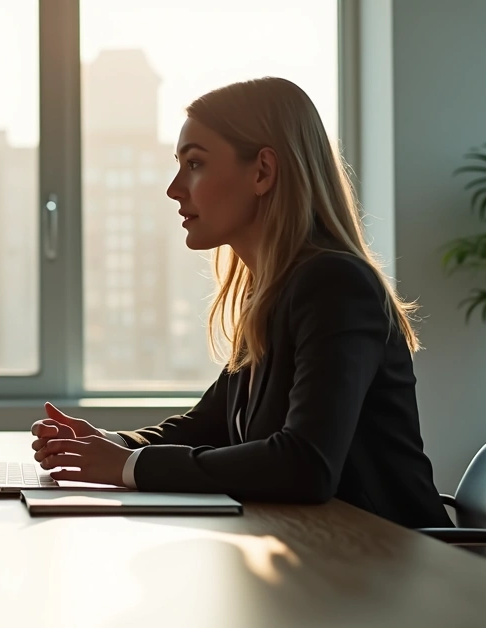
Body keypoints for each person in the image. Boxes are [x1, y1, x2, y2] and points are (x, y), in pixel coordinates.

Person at [31, 77, 451, 529]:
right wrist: (111, 444)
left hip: (396, 567)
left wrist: (126, 467)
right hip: (324, 556)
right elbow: (207, 425)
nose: (175, 188)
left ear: (262, 172)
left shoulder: (335, 285)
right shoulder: (271, 290)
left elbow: (305, 464)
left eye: (194, 163)